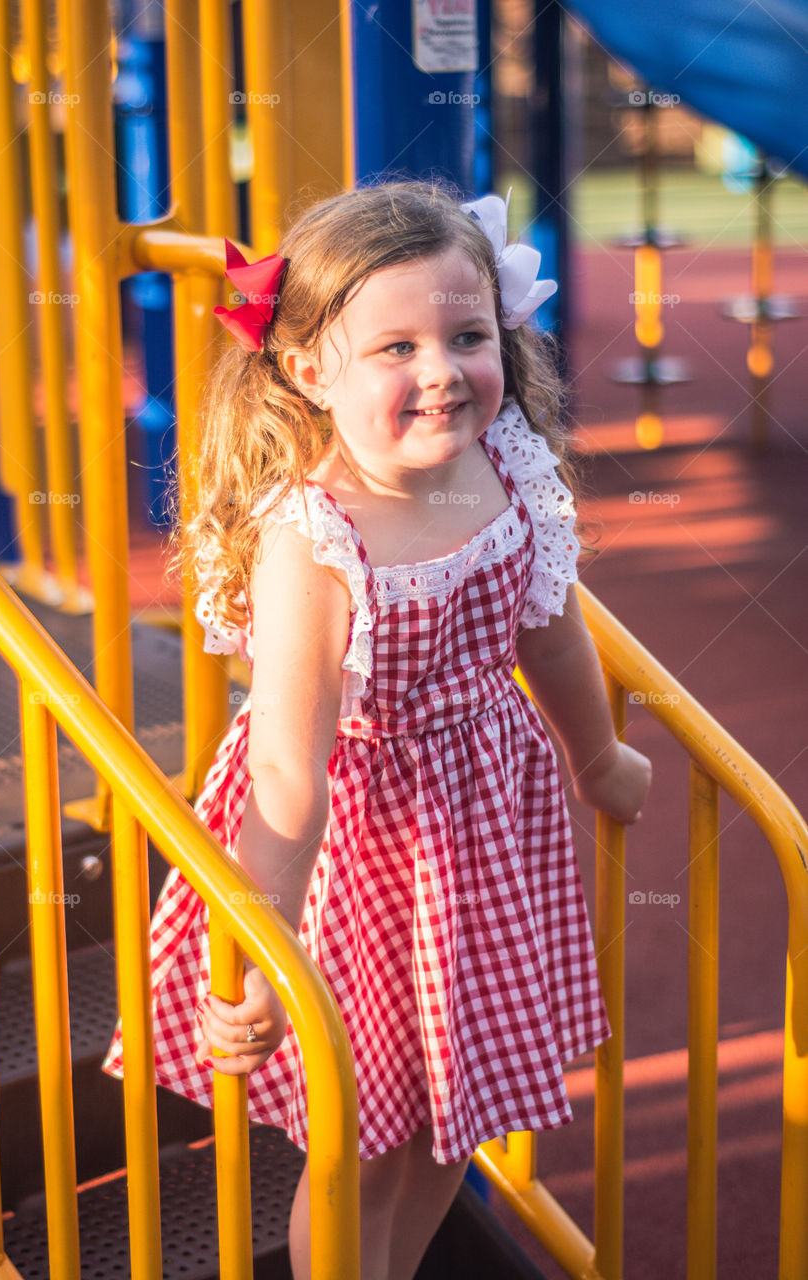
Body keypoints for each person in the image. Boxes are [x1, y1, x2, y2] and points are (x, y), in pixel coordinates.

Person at [104, 179, 651, 1280]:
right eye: (394, 346)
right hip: (354, 854)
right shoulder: (316, 542)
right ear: (309, 371)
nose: (442, 370)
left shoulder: (511, 469)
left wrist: (595, 753)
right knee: (362, 1130)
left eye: (465, 335)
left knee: (453, 1109)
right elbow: (287, 771)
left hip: (484, 822)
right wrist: (261, 946)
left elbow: (548, 627)